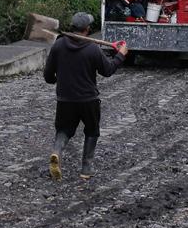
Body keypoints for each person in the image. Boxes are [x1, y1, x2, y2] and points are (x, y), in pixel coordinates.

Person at [43, 12, 128, 181]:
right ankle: (86, 169)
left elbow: (48, 75)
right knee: (91, 131)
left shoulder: (58, 45)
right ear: (87, 29)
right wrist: (121, 55)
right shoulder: (92, 49)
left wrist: (55, 80)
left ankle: (56, 152)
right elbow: (108, 70)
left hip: (65, 99)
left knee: (64, 130)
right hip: (88, 100)